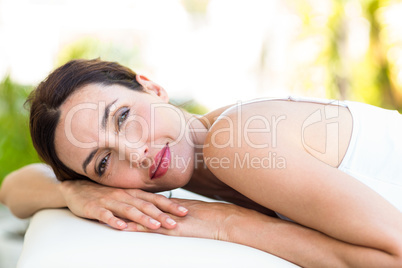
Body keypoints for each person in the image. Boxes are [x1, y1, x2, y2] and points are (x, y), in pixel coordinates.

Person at [1, 58, 402, 267]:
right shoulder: (209, 161)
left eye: (123, 117)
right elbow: (13, 190)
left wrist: (229, 224)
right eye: (103, 162)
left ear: (153, 87)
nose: (135, 152)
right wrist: (73, 191)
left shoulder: (232, 142)